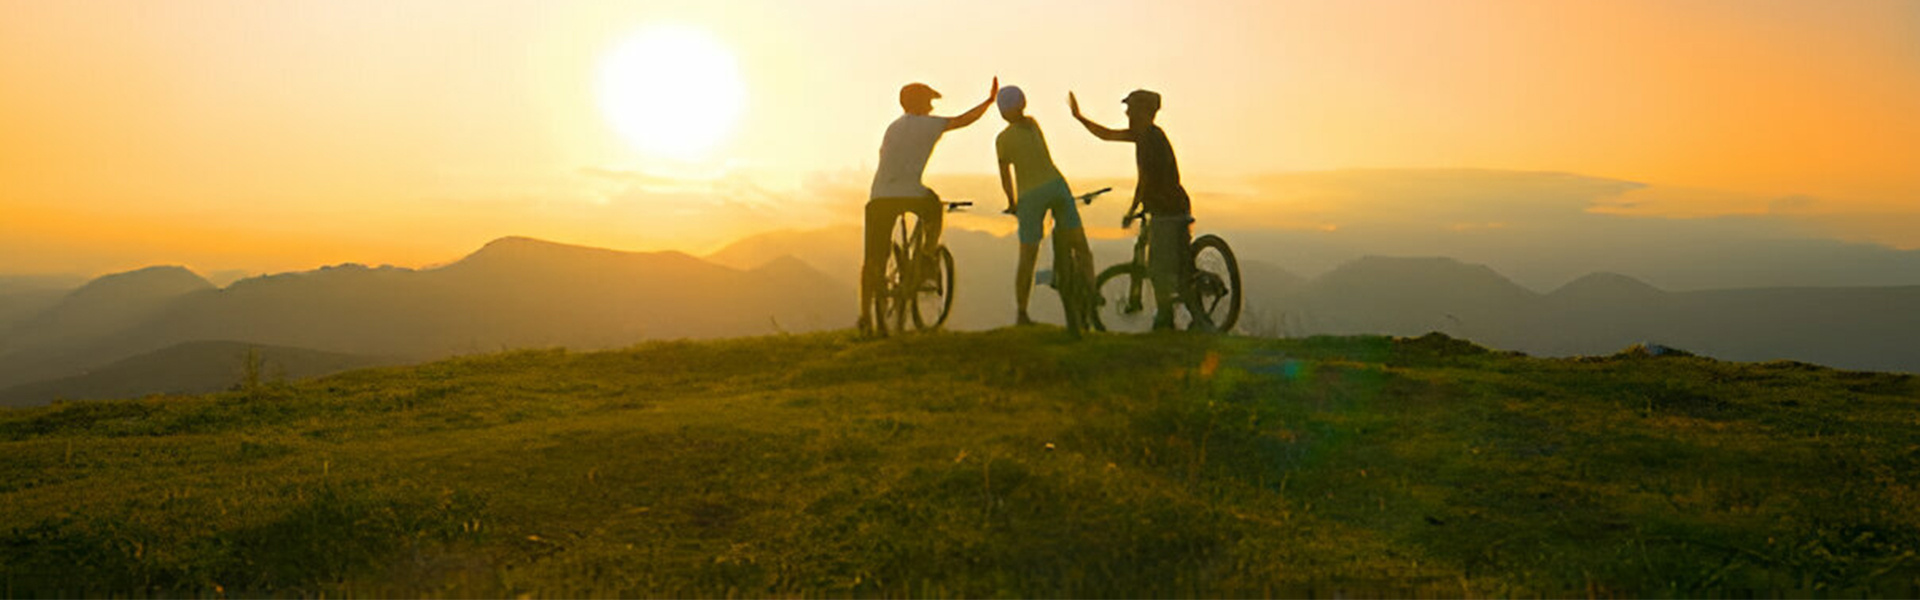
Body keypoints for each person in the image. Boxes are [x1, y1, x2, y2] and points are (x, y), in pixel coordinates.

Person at [860, 78, 998, 334]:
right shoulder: (929, 124)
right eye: (929, 102)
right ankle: (925, 256)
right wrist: (989, 102)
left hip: (878, 196)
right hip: (911, 193)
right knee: (934, 206)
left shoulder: (892, 127)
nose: (933, 108)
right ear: (920, 104)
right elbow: (964, 120)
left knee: (873, 260)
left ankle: (865, 315)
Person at [1068, 88, 1212, 331]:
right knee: (1173, 263)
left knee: (1159, 268)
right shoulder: (1146, 135)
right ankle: (1184, 318)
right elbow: (1107, 135)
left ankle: (1174, 319)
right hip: (1169, 206)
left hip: (1167, 210)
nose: (1126, 112)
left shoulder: (1149, 140)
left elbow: (1144, 179)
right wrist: (1080, 118)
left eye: (1130, 108)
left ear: (1143, 111)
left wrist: (1132, 209)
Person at [994, 85, 1095, 327]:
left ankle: (1021, 313)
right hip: (1057, 186)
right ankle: (1092, 293)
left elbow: (1006, 175)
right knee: (1080, 246)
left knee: (1027, 256)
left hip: (1029, 197)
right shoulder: (1033, 124)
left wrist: (1011, 203)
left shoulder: (1002, 139)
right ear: (1023, 104)